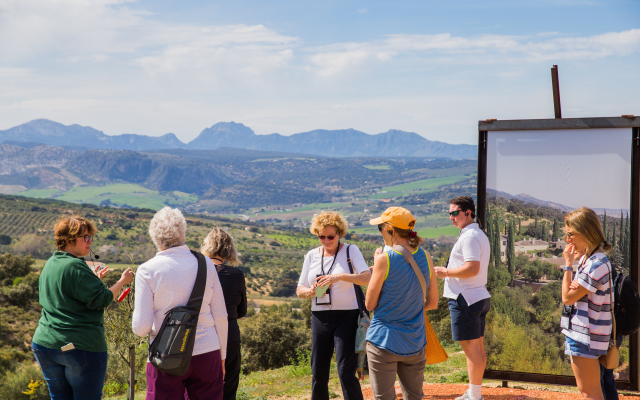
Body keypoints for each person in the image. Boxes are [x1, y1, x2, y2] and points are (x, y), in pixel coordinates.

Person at [32, 215, 134, 400]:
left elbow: (68, 295)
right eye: (85, 237)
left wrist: (93, 281)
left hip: (45, 344)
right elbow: (102, 299)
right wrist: (122, 281)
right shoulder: (76, 266)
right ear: (69, 239)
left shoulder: (50, 263)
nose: (90, 242)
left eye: (90, 237)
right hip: (79, 347)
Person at [132, 207, 228, 400]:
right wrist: (222, 357)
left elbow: (141, 328)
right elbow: (220, 316)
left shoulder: (146, 270)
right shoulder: (207, 264)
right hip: (207, 353)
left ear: (154, 237)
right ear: (183, 232)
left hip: (165, 357)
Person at [365, 207, 439, 400]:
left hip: (383, 341)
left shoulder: (384, 259)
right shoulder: (426, 256)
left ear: (390, 230)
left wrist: (376, 264)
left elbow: (370, 304)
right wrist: (409, 307)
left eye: (380, 227)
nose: (380, 232)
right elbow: (432, 302)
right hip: (414, 343)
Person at [297, 211, 371, 400]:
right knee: (318, 373)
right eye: (321, 236)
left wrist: (339, 277)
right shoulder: (312, 255)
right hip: (319, 318)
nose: (326, 240)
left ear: (339, 233)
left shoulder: (350, 250)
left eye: (330, 236)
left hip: (347, 316)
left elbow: (366, 277)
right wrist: (311, 292)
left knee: (346, 371)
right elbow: (299, 290)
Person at [434, 196, 491, 400]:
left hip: (465, 298)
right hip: (477, 296)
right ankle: (474, 391)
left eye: (455, 212)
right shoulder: (477, 234)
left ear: (468, 213)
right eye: (449, 213)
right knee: (477, 348)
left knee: (471, 349)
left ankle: (474, 396)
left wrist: (445, 272)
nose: (451, 217)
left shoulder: (469, 237)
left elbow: (472, 268)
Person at [562, 207, 614, 400]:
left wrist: (568, 265)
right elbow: (571, 293)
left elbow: (567, 297)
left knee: (589, 392)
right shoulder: (590, 259)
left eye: (571, 235)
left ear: (586, 232)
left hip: (586, 336)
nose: (568, 240)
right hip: (587, 335)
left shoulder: (596, 264)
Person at [200, 227, 246, 400]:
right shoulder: (236, 274)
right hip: (230, 331)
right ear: (229, 249)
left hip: (203, 330)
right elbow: (242, 310)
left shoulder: (199, 272)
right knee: (230, 382)